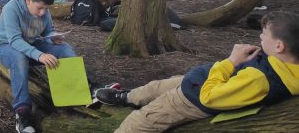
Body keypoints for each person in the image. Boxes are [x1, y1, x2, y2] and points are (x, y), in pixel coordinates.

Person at [95, 11, 299, 133]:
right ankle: (126, 97)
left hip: (191, 99)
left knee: (137, 121)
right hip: (198, 81)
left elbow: (209, 97)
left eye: (264, 36)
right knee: (155, 86)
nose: (260, 39)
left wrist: (230, 61)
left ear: (279, 46)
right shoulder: (285, 63)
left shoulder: (258, 79)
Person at [0, 0, 76, 133]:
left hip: (32, 45)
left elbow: (48, 31)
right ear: (29, 0)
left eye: (46, 9)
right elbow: (15, 41)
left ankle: (73, 94)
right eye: (40, 8)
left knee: (65, 49)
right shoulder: (12, 8)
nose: (43, 13)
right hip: (6, 47)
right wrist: (40, 55)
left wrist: (53, 38)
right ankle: (23, 113)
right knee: (19, 57)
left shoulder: (43, 10)